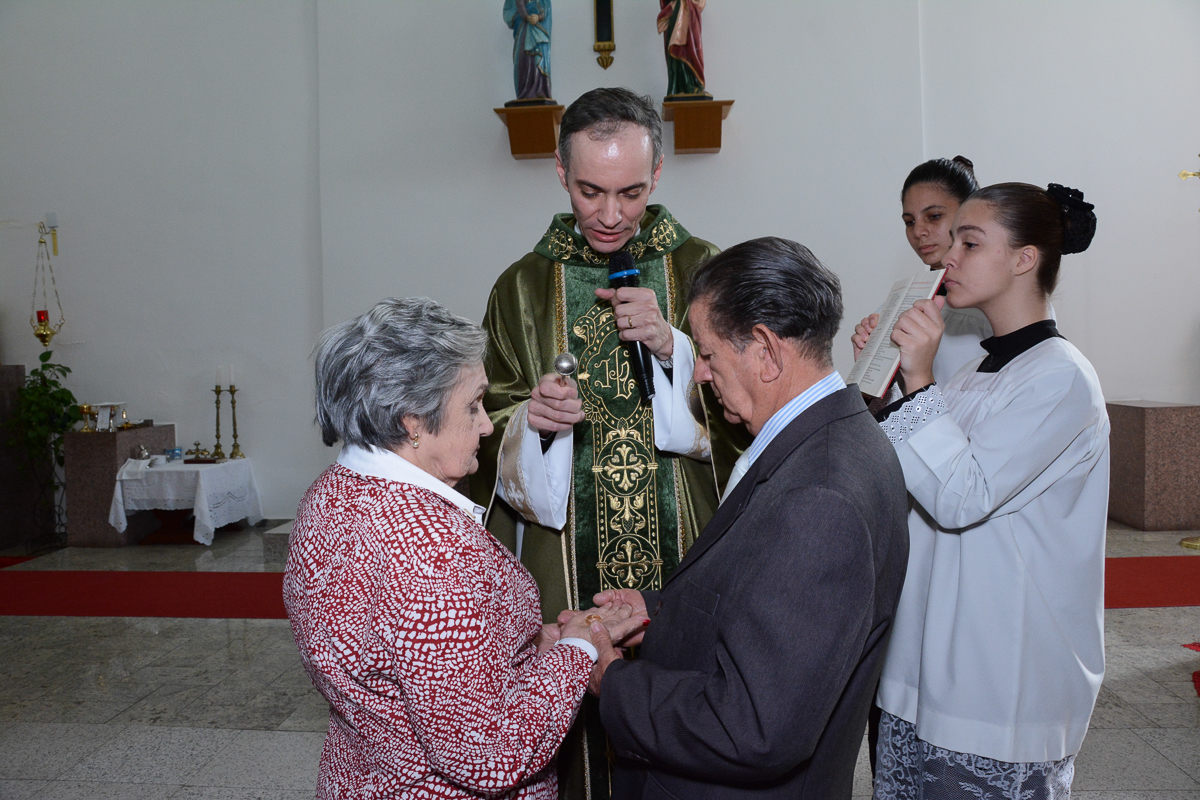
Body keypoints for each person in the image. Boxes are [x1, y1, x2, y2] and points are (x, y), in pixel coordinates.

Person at [473, 85, 744, 799]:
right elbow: (486, 417)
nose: (611, 214)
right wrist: (532, 421)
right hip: (565, 554)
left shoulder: (705, 270)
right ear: (562, 173)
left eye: (630, 191)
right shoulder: (522, 287)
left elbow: (751, 410)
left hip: (684, 536)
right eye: (591, 191)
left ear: (657, 177)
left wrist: (675, 352)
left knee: (687, 709)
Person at [579, 237, 910, 799]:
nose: (701, 375)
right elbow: (771, 597)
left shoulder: (821, 497)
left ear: (765, 349)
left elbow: (753, 728)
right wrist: (656, 608)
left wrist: (612, 681)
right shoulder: (831, 436)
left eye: (707, 354)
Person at [284, 297, 647, 799]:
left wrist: (537, 645)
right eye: (473, 404)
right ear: (413, 422)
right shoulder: (428, 544)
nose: (487, 425)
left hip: (366, 774)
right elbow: (487, 753)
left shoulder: (331, 492)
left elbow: (397, 664)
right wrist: (582, 644)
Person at [871, 183, 1106, 798]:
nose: (947, 256)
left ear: (1024, 258)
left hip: (1001, 664)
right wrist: (883, 372)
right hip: (929, 650)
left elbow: (960, 498)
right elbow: (913, 480)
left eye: (969, 243)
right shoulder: (978, 369)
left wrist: (919, 377)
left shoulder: (1061, 378)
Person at [853, 156, 992, 387]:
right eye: (909, 221)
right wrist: (872, 372)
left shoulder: (996, 306)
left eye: (934, 216)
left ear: (969, 212)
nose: (918, 231)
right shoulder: (894, 310)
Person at [504, 0, 552, 102]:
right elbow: (516, 6)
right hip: (524, 29)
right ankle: (524, 92)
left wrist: (539, 17)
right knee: (523, 59)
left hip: (538, 31)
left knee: (537, 60)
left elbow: (546, 8)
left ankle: (540, 91)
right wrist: (526, 17)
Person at [657, 0, 707, 98]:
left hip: (690, 15)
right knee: (677, 50)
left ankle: (693, 83)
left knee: (691, 50)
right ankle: (680, 86)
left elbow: (700, 3)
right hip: (676, 11)